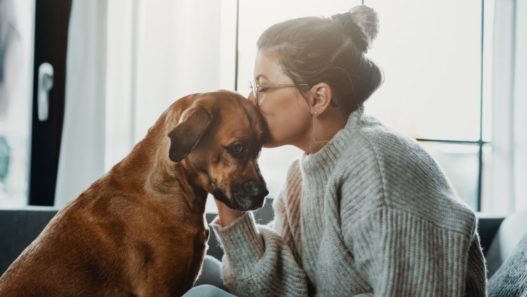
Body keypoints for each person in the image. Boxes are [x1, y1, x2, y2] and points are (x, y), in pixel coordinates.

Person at [185, 5, 486, 297]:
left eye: (263, 88)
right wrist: (226, 185)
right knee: (204, 271)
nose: (250, 102)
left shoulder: (378, 167)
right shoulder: (301, 176)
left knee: (206, 295)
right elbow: (277, 286)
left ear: (318, 98)